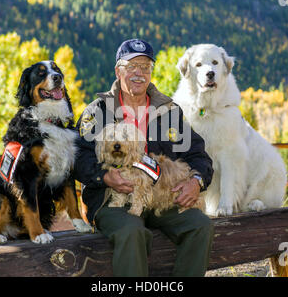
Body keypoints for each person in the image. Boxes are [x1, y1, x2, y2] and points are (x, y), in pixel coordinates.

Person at [74, 39, 214, 277]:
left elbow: (198, 154)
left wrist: (196, 181)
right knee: (131, 231)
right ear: (118, 71)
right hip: (113, 199)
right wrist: (105, 177)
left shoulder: (168, 111)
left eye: (146, 67)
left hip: (163, 197)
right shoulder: (98, 111)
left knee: (200, 225)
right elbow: (78, 158)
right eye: (132, 66)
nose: (139, 73)